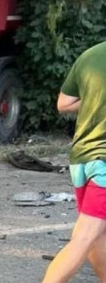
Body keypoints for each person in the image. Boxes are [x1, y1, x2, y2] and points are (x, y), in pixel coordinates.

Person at [42, 42, 106, 283]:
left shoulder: (90, 56)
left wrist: (93, 98)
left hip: (81, 160)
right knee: (85, 237)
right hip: (104, 161)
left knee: (97, 236)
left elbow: (64, 104)